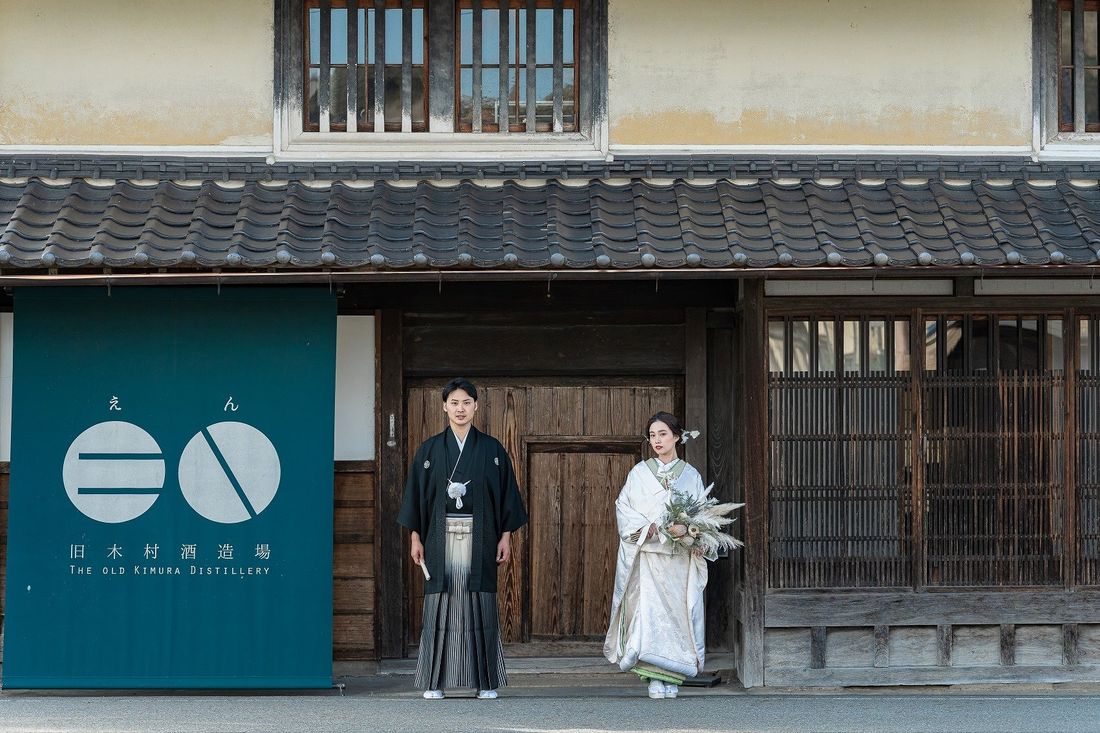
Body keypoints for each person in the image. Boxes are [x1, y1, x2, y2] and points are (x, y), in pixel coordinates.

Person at [397, 378, 528, 700]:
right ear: (444, 406)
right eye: (454, 403)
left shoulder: (491, 449)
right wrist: (416, 537)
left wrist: (506, 536)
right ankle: (435, 682)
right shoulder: (429, 450)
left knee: (479, 605)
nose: (460, 408)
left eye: (466, 402)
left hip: (481, 536)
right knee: (440, 606)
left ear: (476, 406)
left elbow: (506, 496)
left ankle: (484, 682)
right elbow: (417, 497)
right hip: (439, 537)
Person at [604, 411, 709, 699]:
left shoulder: (690, 475)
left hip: (678, 560)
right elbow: (623, 507)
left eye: (663, 433)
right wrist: (647, 528)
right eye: (652, 435)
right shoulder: (639, 473)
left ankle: (674, 675)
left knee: (678, 617)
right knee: (649, 617)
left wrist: (693, 533)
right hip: (649, 557)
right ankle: (652, 676)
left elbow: (703, 515)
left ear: (677, 436)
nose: (657, 440)